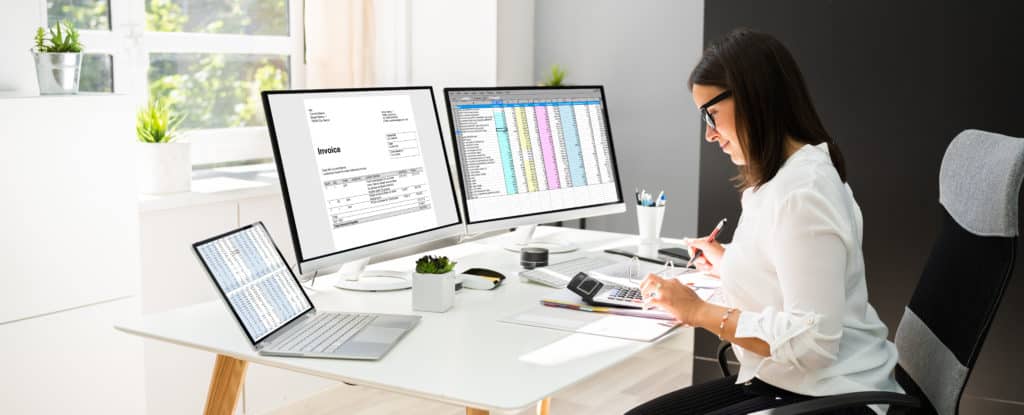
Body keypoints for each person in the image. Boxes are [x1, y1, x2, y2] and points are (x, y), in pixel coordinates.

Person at [627, 29, 903, 415]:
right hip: (792, 384)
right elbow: (788, 266)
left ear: (754, 100)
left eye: (711, 114)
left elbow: (812, 343)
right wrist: (727, 261)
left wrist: (698, 311)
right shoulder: (781, 177)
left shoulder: (804, 193)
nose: (708, 134)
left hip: (834, 395)